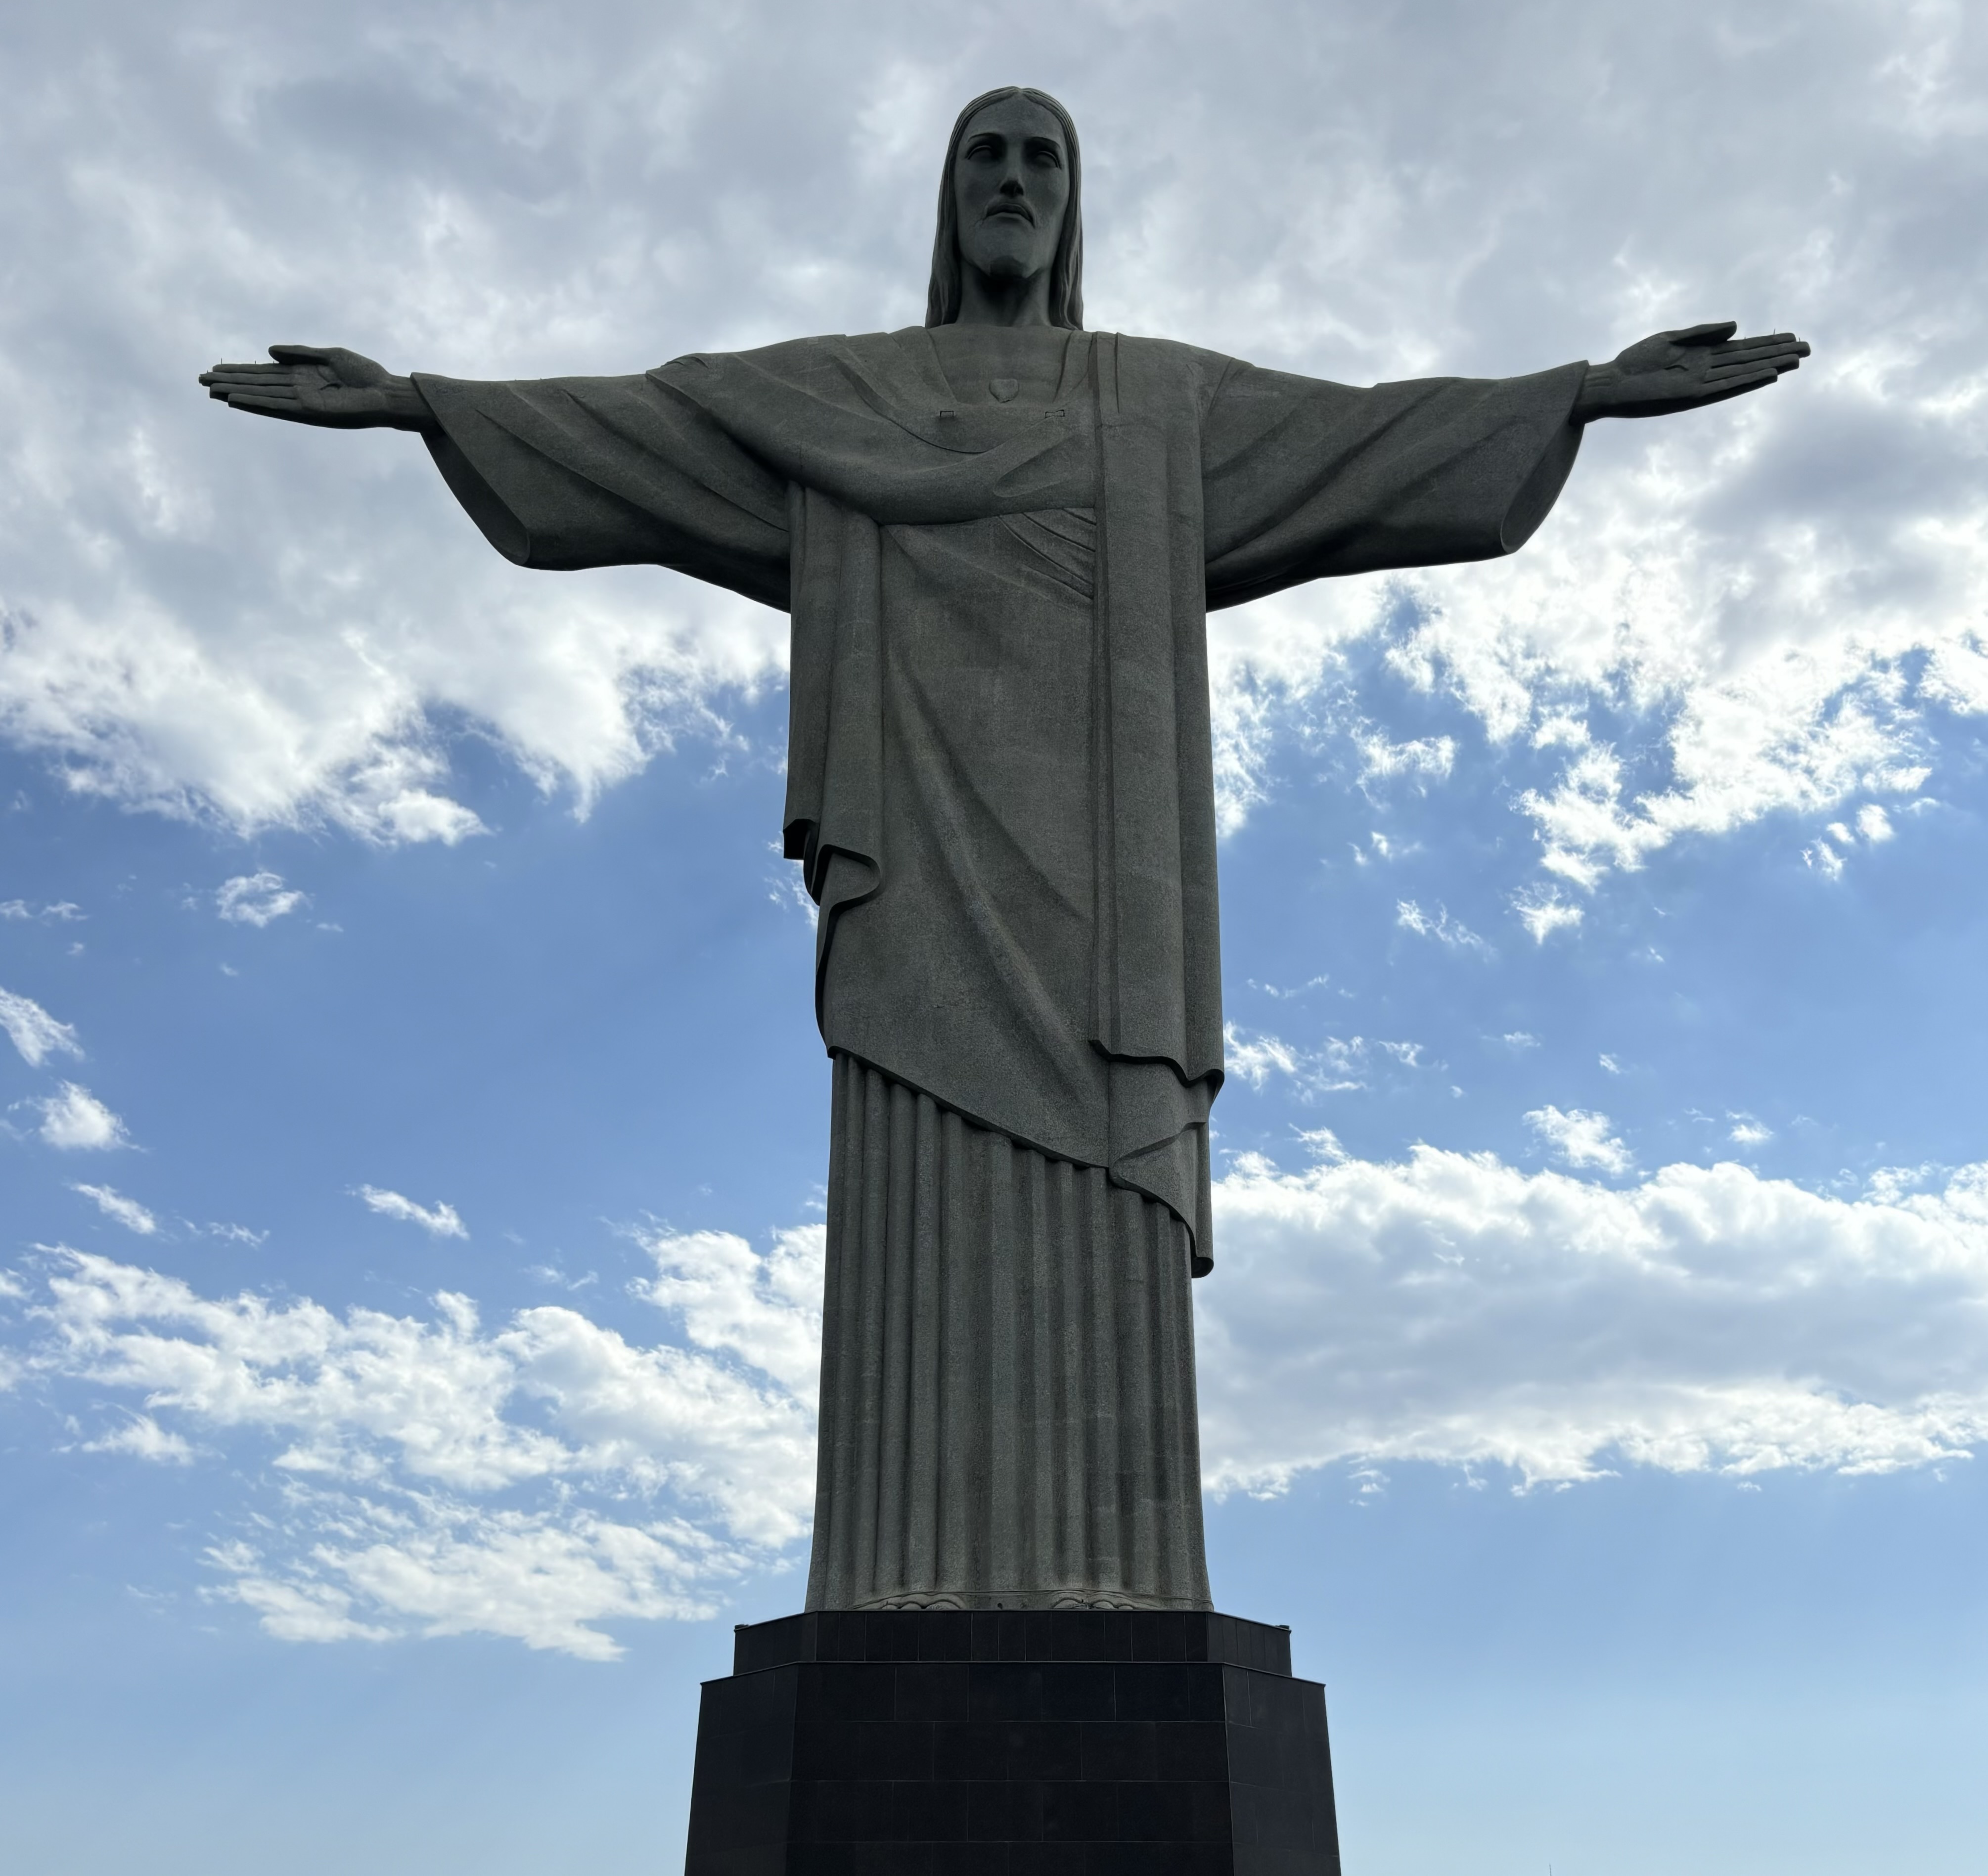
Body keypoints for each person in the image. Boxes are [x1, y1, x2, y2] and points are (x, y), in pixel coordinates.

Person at [201, 86, 1807, 1613]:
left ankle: (1115, 1575)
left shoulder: (1160, 403)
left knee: (1097, 1182)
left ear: (1074, 196)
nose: (1013, 182)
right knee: (916, 1178)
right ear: (946, 192)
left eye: (1041, 157)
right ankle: (900, 1563)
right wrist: (423, 403)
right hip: (914, 858)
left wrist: (1578, 391)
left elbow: (1365, 442)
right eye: (985, 155)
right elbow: (643, 429)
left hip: (1107, 890)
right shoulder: (839, 400)